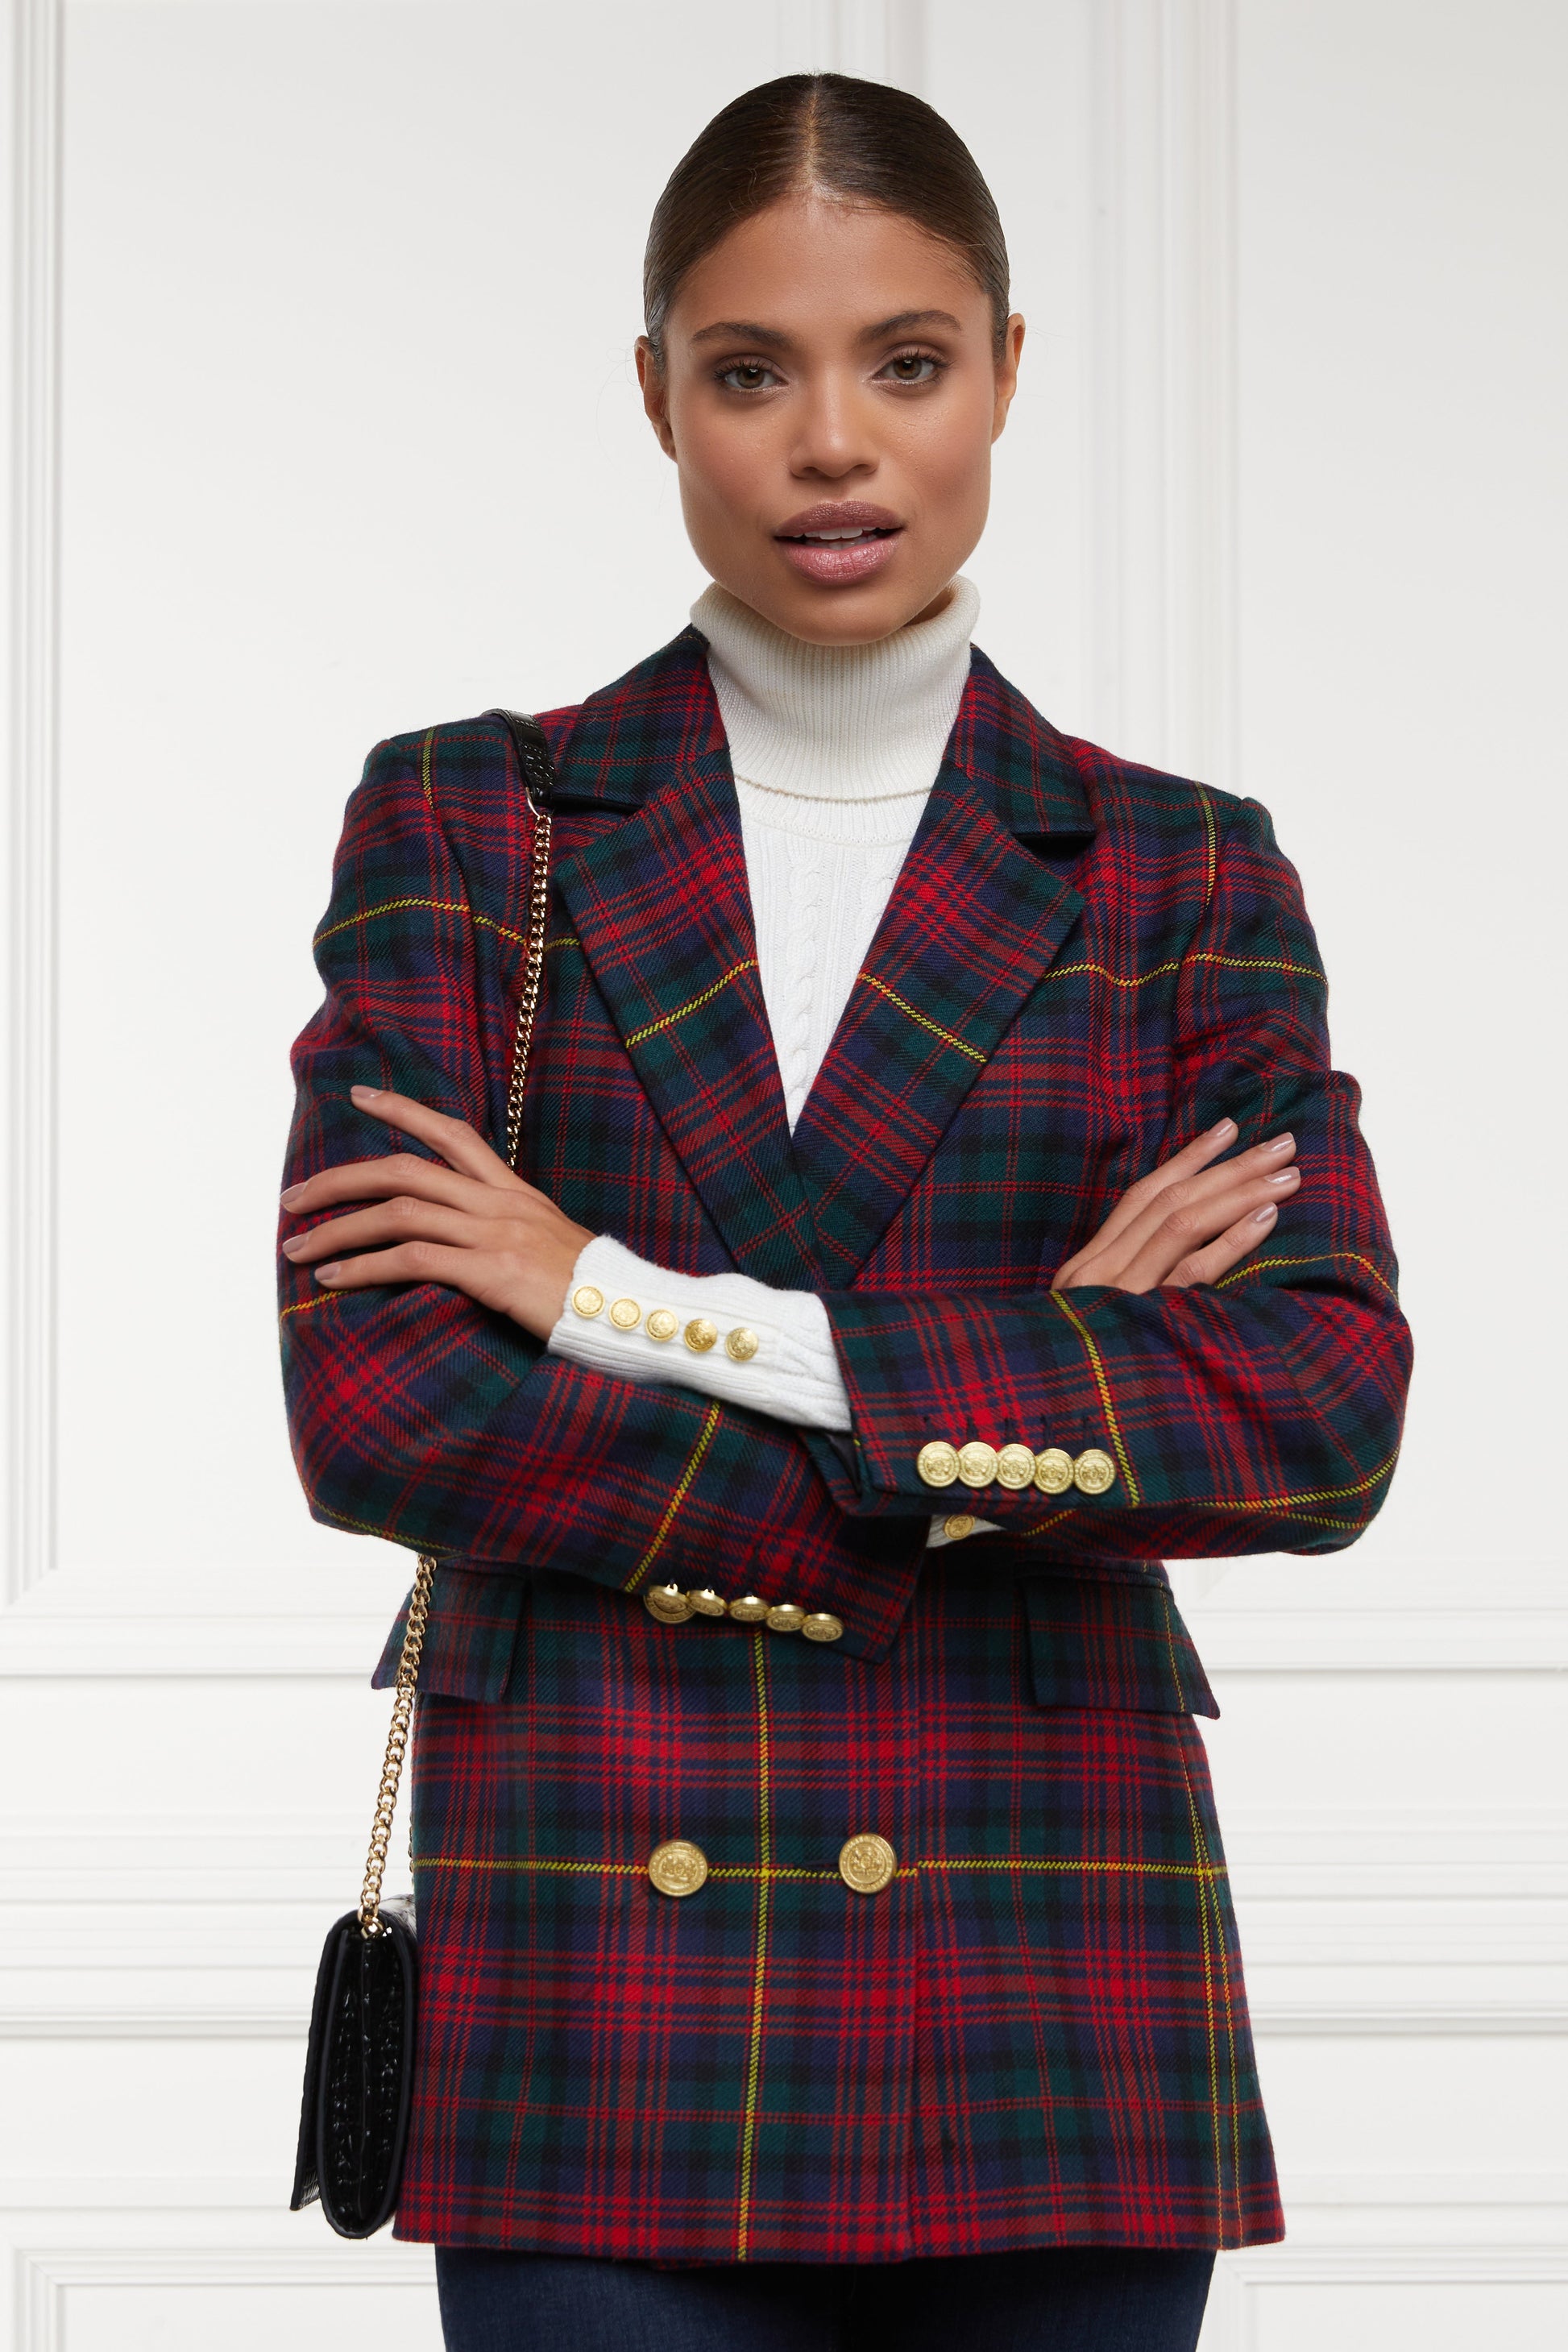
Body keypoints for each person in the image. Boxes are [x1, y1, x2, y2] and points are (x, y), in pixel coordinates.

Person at [278, 73, 1411, 2352]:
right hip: (599, 1929)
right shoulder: (471, 824)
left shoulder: (1181, 867)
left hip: (1038, 1933)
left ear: (1005, 371)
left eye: (904, 363)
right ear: (653, 394)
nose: (831, 445)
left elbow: (1316, 1413)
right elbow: (383, 1403)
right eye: (748, 371)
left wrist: (607, 1295)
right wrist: (1028, 1400)